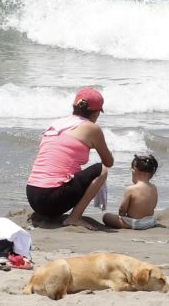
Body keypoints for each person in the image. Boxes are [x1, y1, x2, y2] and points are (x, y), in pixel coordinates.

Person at [25, 86, 114, 229]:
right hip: (52, 201)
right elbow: (108, 162)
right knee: (102, 170)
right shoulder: (92, 128)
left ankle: (53, 213)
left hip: (32, 195)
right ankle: (74, 217)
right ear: (96, 113)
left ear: (74, 107)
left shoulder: (56, 124)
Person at [102, 153, 160, 230]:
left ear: (134, 171)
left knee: (106, 217)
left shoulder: (131, 189)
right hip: (150, 222)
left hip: (136, 223)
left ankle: (128, 226)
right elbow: (153, 206)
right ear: (152, 174)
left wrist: (122, 217)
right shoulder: (154, 188)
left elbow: (122, 209)